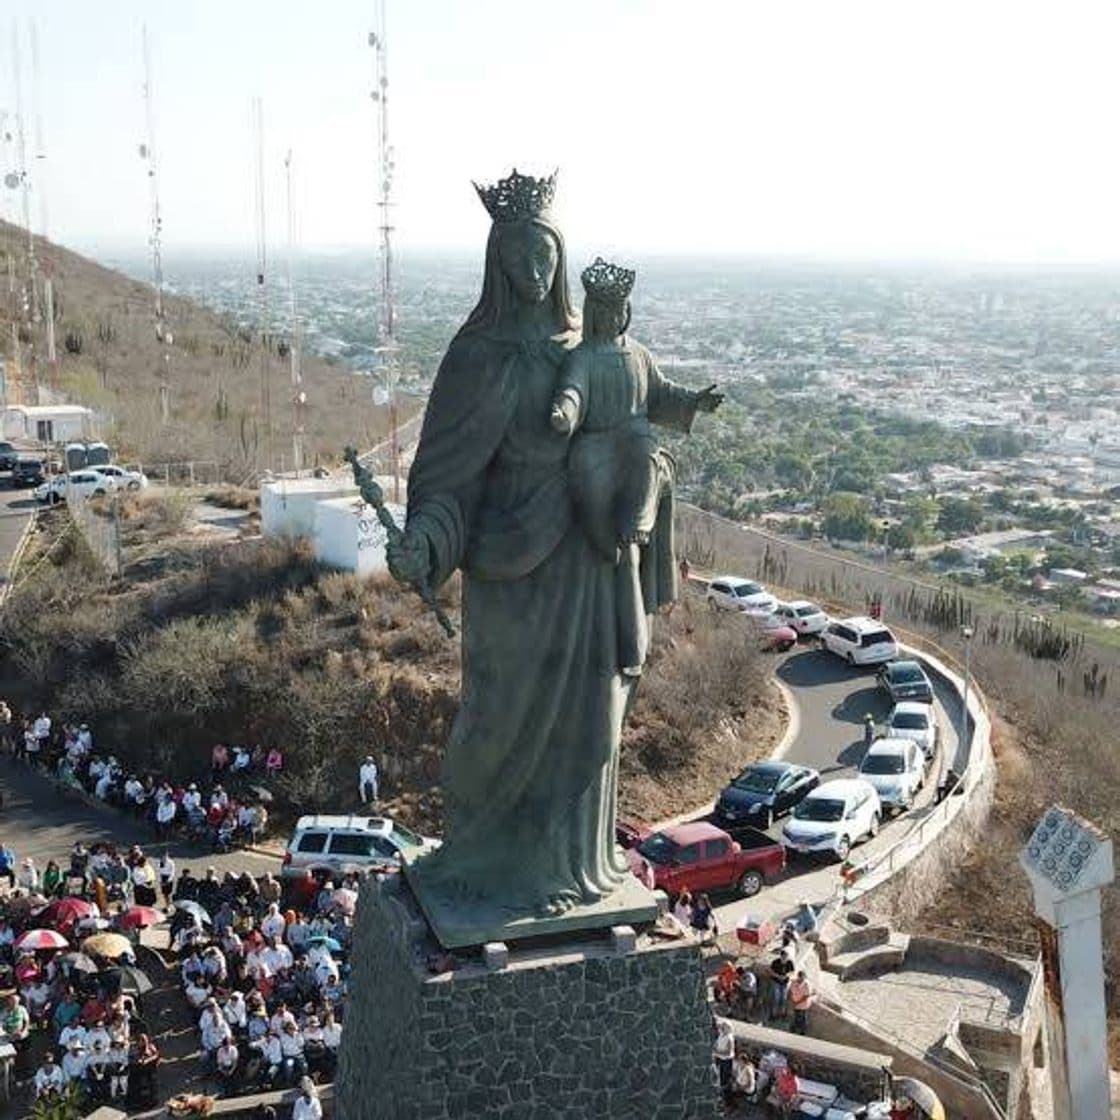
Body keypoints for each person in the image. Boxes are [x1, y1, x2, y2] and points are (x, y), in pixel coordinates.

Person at [384, 169, 720, 918]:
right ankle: (482, 866)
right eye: (520, 258)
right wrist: (425, 545)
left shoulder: (595, 347)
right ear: (497, 263)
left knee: (591, 726)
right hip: (511, 576)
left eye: (546, 257)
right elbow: (444, 482)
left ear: (561, 260)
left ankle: (574, 869)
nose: (535, 272)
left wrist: (642, 470)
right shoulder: (476, 358)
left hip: (592, 566)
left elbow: (645, 418)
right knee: (496, 724)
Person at [550, 257, 722, 674]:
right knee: (594, 496)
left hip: (633, 440)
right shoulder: (583, 357)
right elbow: (571, 392)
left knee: (649, 455)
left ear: (627, 312)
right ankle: (605, 538)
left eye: (620, 309)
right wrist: (564, 413)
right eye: (606, 310)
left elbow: (661, 393)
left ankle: (637, 522)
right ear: (594, 313)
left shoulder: (639, 355)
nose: (614, 316)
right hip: (594, 448)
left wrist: (694, 401)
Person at [130, 1033, 160, 1106]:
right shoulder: (136, 1048)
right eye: (139, 1041)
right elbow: (133, 1057)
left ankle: (153, 1100)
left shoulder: (150, 1047)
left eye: (142, 1041)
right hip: (141, 1070)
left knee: (152, 1084)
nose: (141, 1042)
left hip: (150, 1069)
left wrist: (147, 1060)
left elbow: (156, 1055)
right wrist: (137, 1060)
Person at [769, 949, 795, 1020]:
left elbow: (792, 972)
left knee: (783, 999)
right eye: (784, 956)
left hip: (785, 983)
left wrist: (786, 975)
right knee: (776, 998)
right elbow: (771, 971)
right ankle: (774, 1014)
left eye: (786, 956)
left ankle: (782, 1014)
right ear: (781, 956)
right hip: (776, 982)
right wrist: (778, 976)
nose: (785, 958)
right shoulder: (776, 962)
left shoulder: (789, 963)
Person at [713, 1018, 735, 1100]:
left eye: (724, 1026)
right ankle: (720, 1091)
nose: (722, 1027)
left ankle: (725, 1096)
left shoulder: (729, 1038)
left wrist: (717, 1052)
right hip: (720, 1058)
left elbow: (728, 1052)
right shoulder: (722, 1034)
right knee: (718, 1073)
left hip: (726, 1060)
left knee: (724, 1078)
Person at [789, 970, 814, 1034]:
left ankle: (803, 1031)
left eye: (803, 977)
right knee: (795, 1016)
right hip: (795, 1003)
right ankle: (793, 1029)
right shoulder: (793, 982)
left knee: (803, 1018)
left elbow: (806, 996)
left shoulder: (806, 985)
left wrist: (797, 1002)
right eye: (800, 977)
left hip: (803, 1005)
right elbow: (791, 992)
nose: (801, 979)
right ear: (798, 976)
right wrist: (792, 1000)